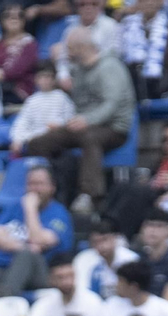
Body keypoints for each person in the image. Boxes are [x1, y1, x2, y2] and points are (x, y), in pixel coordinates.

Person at [25, 27, 134, 215]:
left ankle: (90, 195)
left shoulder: (110, 67)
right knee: (40, 143)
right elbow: (78, 103)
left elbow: (112, 104)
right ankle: (57, 186)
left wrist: (87, 119)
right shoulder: (79, 69)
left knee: (89, 138)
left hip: (113, 128)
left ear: (81, 47)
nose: (67, 53)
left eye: (69, 48)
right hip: (83, 125)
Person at [0, 164, 69, 303]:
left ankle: (5, 300)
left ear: (52, 187)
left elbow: (39, 239)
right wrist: (24, 246)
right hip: (4, 267)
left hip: (41, 271)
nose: (34, 189)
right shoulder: (15, 207)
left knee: (27, 255)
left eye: (39, 184)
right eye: (31, 184)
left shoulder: (58, 213)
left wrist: (30, 209)